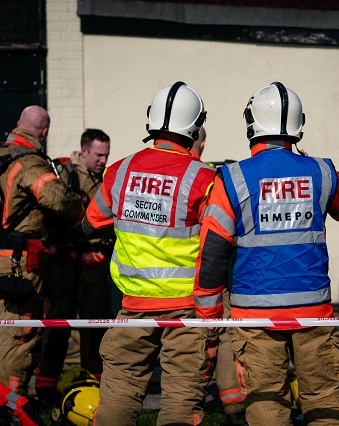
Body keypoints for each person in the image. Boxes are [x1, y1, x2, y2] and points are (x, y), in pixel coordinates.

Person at [194, 82, 339, 426]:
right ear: (298, 126)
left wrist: (209, 317)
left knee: (266, 403)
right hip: (313, 310)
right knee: (325, 401)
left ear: (251, 124)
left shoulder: (232, 178)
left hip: (255, 314)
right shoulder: (322, 170)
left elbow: (212, 253)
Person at [82, 81, 217, 425]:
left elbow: (92, 222)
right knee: (181, 400)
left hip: (133, 305)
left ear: (151, 121)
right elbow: (221, 241)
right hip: (186, 309)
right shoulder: (205, 178)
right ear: (196, 127)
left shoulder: (120, 170)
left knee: (118, 394)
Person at [0, 105, 84, 396]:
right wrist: (79, 207)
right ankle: (10, 406)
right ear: (45, 132)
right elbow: (59, 199)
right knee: (20, 339)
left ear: (18, 124)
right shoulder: (28, 163)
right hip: (19, 268)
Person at [35, 128, 114, 405]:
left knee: (95, 330)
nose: (103, 159)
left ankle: (93, 388)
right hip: (65, 266)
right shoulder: (64, 175)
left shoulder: (103, 180)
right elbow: (49, 221)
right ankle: (45, 390)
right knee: (57, 328)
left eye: (106, 154)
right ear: (84, 152)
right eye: (98, 154)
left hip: (95, 269)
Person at [190, 128, 247, 422]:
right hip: (210, 280)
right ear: (201, 142)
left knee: (185, 345)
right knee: (223, 338)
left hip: (164, 284)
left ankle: (189, 409)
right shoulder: (213, 179)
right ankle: (234, 407)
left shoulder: (176, 175)